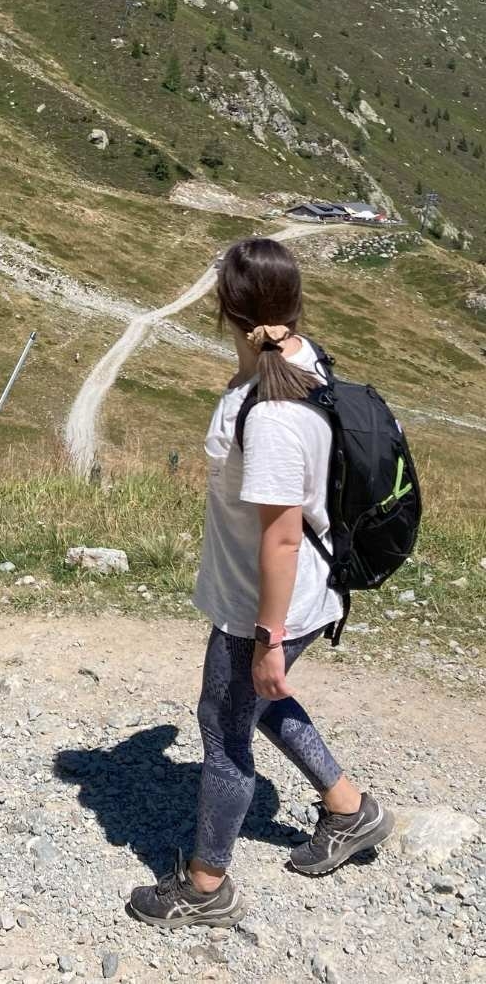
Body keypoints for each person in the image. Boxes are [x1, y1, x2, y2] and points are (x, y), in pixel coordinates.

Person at [129, 237, 394, 929]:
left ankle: (207, 885)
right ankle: (349, 808)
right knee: (259, 702)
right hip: (287, 593)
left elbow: (280, 534)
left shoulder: (274, 416)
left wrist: (268, 637)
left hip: (267, 602)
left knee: (222, 727)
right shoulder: (293, 360)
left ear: (227, 309)